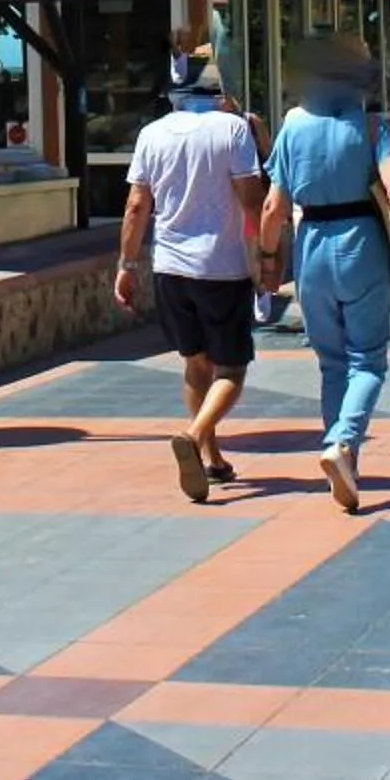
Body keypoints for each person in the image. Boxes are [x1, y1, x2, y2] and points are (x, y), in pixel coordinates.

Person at [257, 38, 390, 514]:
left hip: (311, 249)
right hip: (362, 243)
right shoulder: (369, 126)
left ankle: (341, 457)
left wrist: (267, 259)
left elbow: (273, 207)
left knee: (330, 363)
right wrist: (376, 203)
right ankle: (344, 445)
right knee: (367, 361)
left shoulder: (291, 126)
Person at [117, 58, 266, 503]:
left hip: (169, 268)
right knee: (232, 369)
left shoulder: (151, 134)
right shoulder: (231, 131)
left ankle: (212, 458)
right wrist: (267, 259)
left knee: (195, 362)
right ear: (218, 93)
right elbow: (252, 201)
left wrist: (126, 265)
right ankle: (195, 433)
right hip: (221, 267)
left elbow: (135, 205)